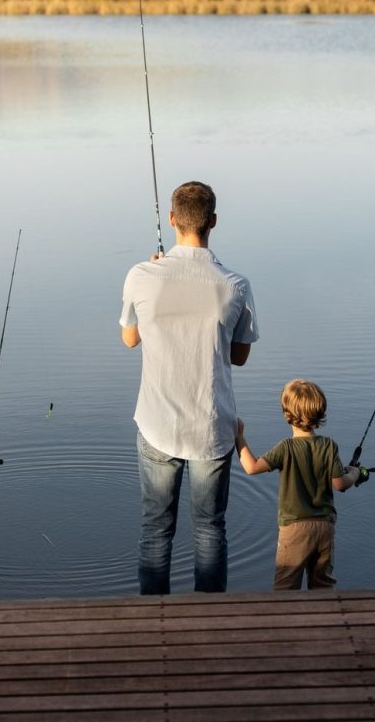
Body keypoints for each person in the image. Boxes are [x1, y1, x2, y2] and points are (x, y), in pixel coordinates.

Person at [120, 180, 259, 595]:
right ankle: (210, 620)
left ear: (172, 219)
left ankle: (152, 618)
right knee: (210, 529)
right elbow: (238, 356)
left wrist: (156, 279)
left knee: (155, 530)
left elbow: (130, 339)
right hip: (212, 425)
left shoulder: (142, 275)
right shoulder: (236, 285)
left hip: (157, 423)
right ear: (213, 221)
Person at [235, 378, 369, 590]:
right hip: (325, 527)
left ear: (286, 413)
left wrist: (239, 437)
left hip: (293, 529)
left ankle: (288, 621)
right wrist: (354, 474)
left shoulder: (285, 448)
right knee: (323, 586)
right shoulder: (328, 445)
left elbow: (251, 467)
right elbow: (340, 484)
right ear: (320, 413)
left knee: (285, 589)